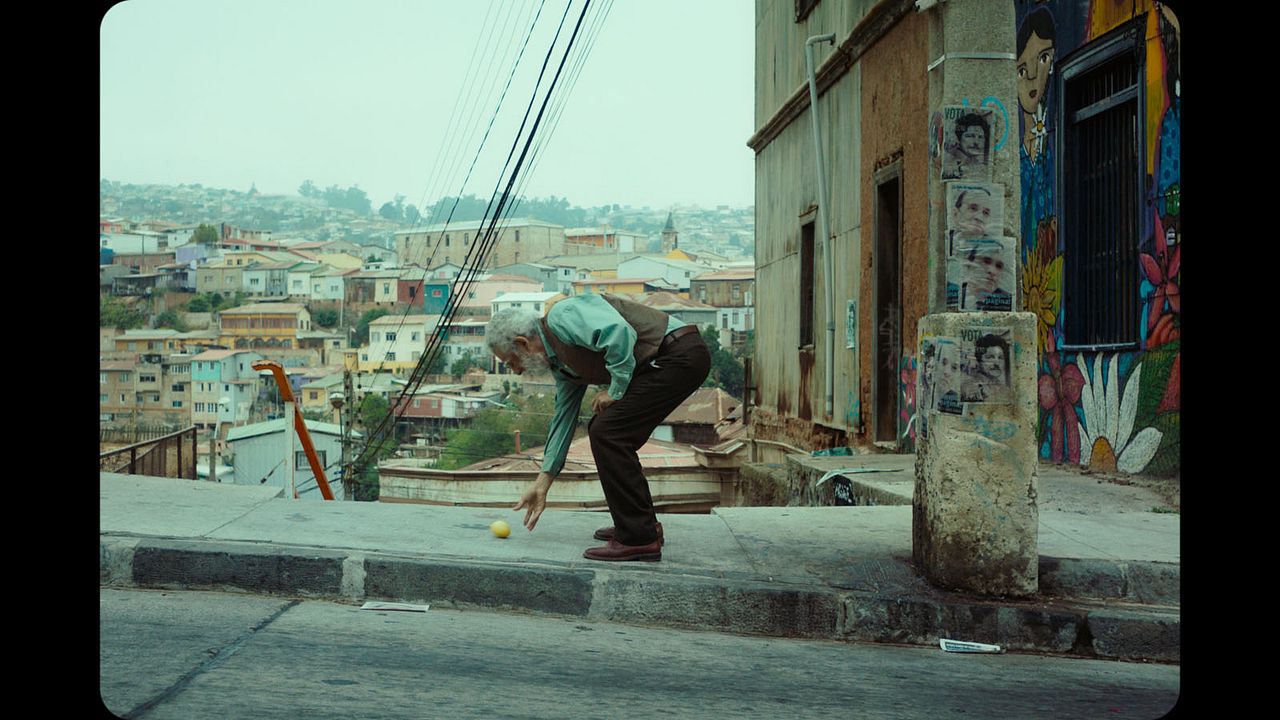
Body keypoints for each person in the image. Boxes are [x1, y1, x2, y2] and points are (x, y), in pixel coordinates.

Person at [485, 293, 710, 562]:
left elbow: (618, 333)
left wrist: (615, 390)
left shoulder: (561, 317)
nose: (517, 372)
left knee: (608, 431)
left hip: (679, 354)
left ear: (523, 344)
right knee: (609, 430)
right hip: (665, 364)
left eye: (512, 362)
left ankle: (639, 537)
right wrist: (543, 482)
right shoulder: (563, 367)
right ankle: (641, 526)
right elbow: (563, 420)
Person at [944, 112, 991, 180]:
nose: (976, 142)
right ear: (959, 139)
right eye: (970, 136)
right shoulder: (951, 166)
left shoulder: (984, 168)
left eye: (980, 137)